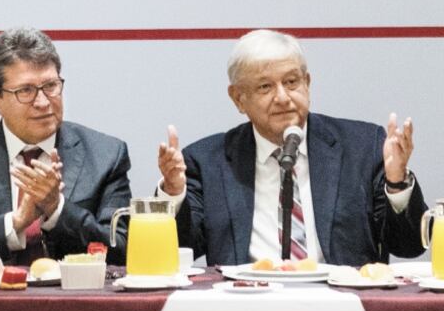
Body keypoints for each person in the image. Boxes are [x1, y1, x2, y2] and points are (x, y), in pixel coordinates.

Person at [156, 29, 427, 266]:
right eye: (265, 87)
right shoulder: (207, 161)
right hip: (244, 306)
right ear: (239, 98)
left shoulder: (362, 146)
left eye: (291, 82)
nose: (283, 98)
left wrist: (397, 184)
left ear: (307, 83)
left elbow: (409, 245)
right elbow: (176, 251)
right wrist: (173, 194)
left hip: (339, 305)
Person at [0, 27, 131, 264]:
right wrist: (14, 224)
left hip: (74, 299)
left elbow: (122, 249)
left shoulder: (106, 155)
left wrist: (57, 210)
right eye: (25, 91)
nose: (42, 102)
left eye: (50, 86)